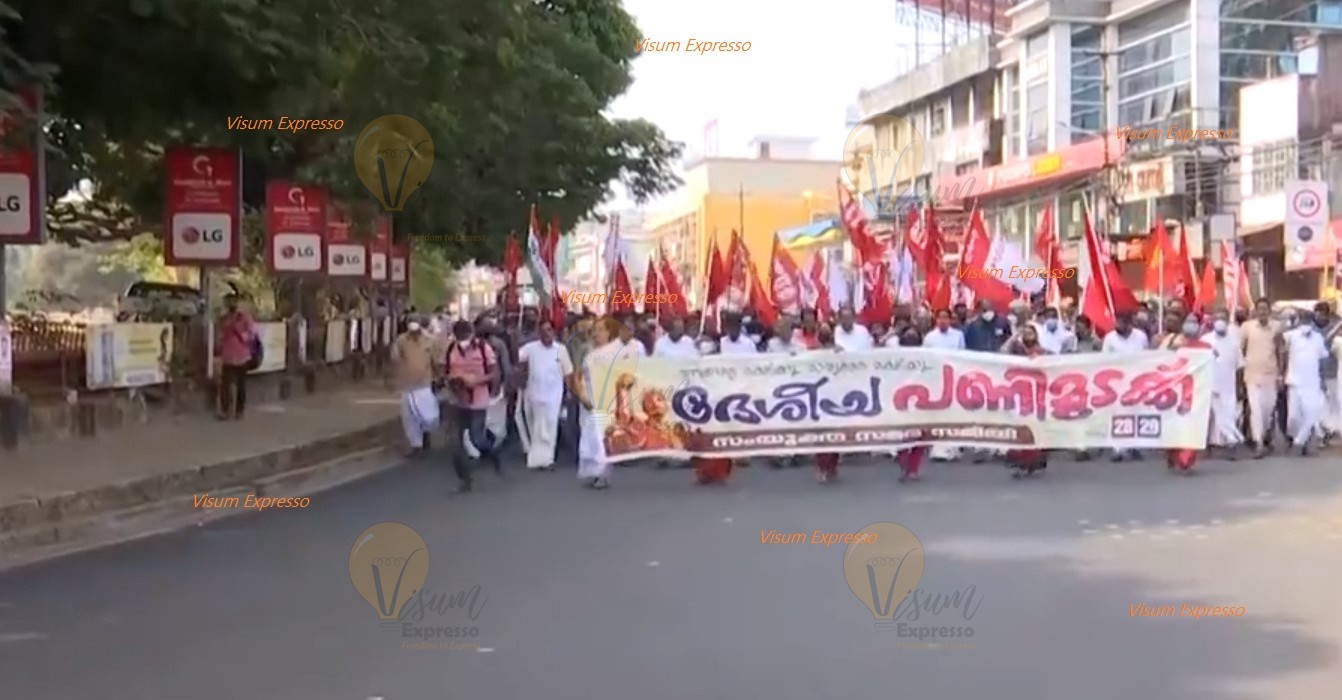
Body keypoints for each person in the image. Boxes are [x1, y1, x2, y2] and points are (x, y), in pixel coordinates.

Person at [574, 317, 641, 489]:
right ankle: (592, 472)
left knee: (601, 438)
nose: (596, 333)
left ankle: (602, 474)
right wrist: (581, 396)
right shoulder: (587, 352)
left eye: (600, 330)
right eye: (595, 330)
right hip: (588, 399)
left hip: (605, 400)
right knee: (588, 438)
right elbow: (578, 376)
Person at [444, 320, 501, 492]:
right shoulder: (450, 350)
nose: (463, 340)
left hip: (478, 400)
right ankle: (464, 479)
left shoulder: (484, 348)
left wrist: (476, 381)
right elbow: (444, 371)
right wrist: (451, 381)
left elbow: (494, 372)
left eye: (465, 336)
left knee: (477, 439)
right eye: (459, 336)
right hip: (456, 400)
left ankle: (493, 457)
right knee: (455, 442)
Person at [516, 319, 574, 470]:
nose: (546, 334)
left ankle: (548, 460)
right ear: (538, 333)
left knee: (551, 428)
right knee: (537, 430)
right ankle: (536, 459)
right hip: (534, 395)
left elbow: (568, 373)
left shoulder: (561, 350)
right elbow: (518, 358)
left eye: (549, 330)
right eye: (542, 331)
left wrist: (569, 392)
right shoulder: (531, 348)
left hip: (554, 397)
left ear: (554, 332)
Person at [392, 316, 443, 456]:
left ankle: (426, 433)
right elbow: (396, 358)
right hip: (407, 385)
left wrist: (439, 378)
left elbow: (437, 362)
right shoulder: (401, 341)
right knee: (409, 418)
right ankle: (416, 446)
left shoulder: (431, 341)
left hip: (425, 384)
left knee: (428, 416)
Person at [1002, 324, 1048, 477]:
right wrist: (1014, 336)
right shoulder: (1016, 350)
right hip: (1019, 394)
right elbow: (1002, 351)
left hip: (1036, 394)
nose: (1028, 335)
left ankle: (1030, 461)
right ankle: (1025, 461)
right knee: (1022, 429)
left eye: (1031, 333)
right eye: (1025, 333)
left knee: (1034, 429)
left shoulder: (1042, 352)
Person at [1103, 313, 1150, 461]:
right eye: (1116, 323)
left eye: (1121, 323)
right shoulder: (1110, 338)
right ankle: (1118, 449)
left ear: (1129, 324)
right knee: (1117, 414)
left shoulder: (1141, 337)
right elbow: (1103, 360)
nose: (1118, 326)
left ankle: (1135, 446)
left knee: (1137, 413)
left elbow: (1147, 356)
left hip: (1137, 380)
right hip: (1117, 382)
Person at [1240, 298, 1282, 457]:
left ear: (1269, 311)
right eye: (1260, 309)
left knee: (1267, 411)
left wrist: (1281, 375)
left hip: (1271, 375)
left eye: (1265, 309)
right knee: (1256, 410)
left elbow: (1280, 351)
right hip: (1252, 375)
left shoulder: (1277, 327)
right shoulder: (1247, 327)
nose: (1262, 312)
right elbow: (1241, 350)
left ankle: (1264, 437)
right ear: (1255, 311)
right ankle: (1259, 443)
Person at [1166, 317, 1209, 473]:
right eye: (1188, 321)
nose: (1191, 325)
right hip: (1178, 392)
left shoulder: (1206, 347)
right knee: (1177, 425)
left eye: (1194, 322)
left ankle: (1186, 460)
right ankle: (1172, 453)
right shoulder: (1176, 347)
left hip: (1199, 392)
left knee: (1193, 426)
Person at [922, 309, 966, 461]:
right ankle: (937, 447)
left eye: (945, 318)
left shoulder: (958, 335)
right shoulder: (930, 338)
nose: (943, 321)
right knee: (938, 413)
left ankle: (954, 446)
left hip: (954, 378)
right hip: (935, 379)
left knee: (953, 412)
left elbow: (963, 355)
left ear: (950, 320)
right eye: (940, 318)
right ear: (936, 320)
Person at [1284, 314, 1330, 456]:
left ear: (1312, 323)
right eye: (1302, 321)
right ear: (1299, 322)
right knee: (1293, 416)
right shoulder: (1291, 335)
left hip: (1312, 383)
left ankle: (1300, 442)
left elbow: (1322, 358)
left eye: (1307, 321)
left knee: (1310, 415)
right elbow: (1279, 340)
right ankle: (1296, 437)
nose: (1305, 324)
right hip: (1294, 381)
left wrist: (1322, 380)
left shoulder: (1318, 338)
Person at [1201, 310, 1244, 458]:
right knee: (1211, 417)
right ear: (1212, 321)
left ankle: (1230, 444)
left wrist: (1239, 386)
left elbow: (1239, 366)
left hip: (1229, 385)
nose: (1220, 321)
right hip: (1210, 384)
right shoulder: (1205, 340)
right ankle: (1208, 445)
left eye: (1223, 318)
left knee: (1228, 415)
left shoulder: (1234, 341)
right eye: (1217, 318)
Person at [893, 327, 928, 480]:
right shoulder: (893, 358)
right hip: (900, 401)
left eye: (914, 335)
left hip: (921, 400)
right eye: (908, 336)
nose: (911, 338)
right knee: (902, 436)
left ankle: (913, 468)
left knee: (919, 437)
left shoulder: (928, 357)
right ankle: (903, 464)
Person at [216, 293, 256, 420]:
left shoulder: (244, 318)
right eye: (228, 302)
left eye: (232, 302)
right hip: (228, 355)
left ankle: (240, 411)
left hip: (242, 355)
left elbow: (251, 335)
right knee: (225, 385)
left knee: (241, 385)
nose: (230, 305)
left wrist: (239, 331)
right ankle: (225, 409)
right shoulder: (224, 318)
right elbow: (221, 334)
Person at [813, 324, 842, 483]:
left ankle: (833, 466)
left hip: (835, 397)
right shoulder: (813, 353)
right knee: (822, 437)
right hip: (818, 398)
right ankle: (822, 467)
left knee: (836, 436)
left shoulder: (838, 351)